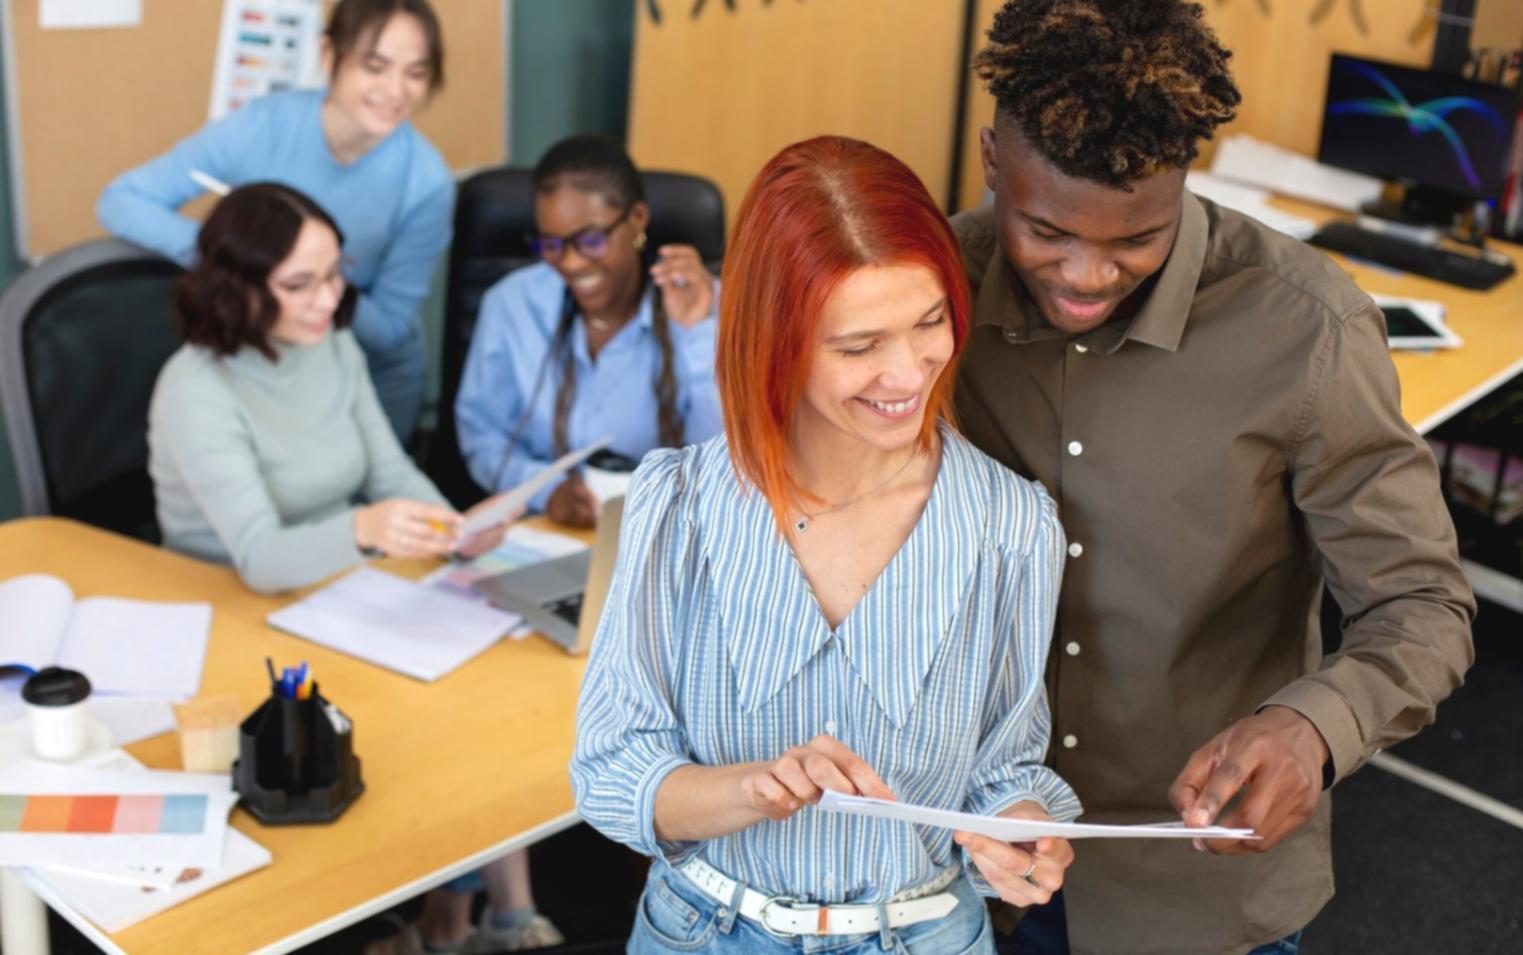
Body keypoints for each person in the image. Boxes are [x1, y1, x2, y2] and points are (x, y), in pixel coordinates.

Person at [953, 3, 1476, 953]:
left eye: (1135, 240)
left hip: (1191, 887)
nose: (1085, 274)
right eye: (1044, 231)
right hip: (962, 869)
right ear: (991, 161)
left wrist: (1312, 730)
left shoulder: (1307, 329)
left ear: (1185, 186)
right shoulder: (930, 294)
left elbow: (1423, 601)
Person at [571, 135, 1081, 953]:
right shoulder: (678, 506)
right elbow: (611, 772)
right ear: (775, 343)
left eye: (929, 322)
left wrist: (1018, 831)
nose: (909, 373)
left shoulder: (1012, 525)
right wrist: (753, 787)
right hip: (700, 930)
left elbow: (1003, 770)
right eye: (857, 346)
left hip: (923, 933)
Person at [101, 0, 452, 441]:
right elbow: (122, 200)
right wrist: (241, 258)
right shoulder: (260, 127)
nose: (395, 90)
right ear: (328, 56)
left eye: (416, 73)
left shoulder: (427, 183)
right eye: (374, 66)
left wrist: (315, 285)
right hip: (262, 363)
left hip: (366, 372)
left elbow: (391, 328)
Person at [148, 183, 506, 594]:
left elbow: (389, 473)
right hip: (222, 593)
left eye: (334, 274)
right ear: (237, 290)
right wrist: (363, 529)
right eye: (298, 285)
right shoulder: (194, 390)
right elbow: (258, 558)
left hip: (333, 582)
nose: (327, 301)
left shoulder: (331, 342)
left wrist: (455, 532)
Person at [454, 134, 723, 528]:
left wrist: (699, 332)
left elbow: (726, 460)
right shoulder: (511, 306)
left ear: (637, 220)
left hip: (665, 534)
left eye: (590, 240)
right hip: (542, 531)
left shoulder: (703, 305)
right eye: (551, 244)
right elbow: (483, 439)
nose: (571, 263)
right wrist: (547, 492)